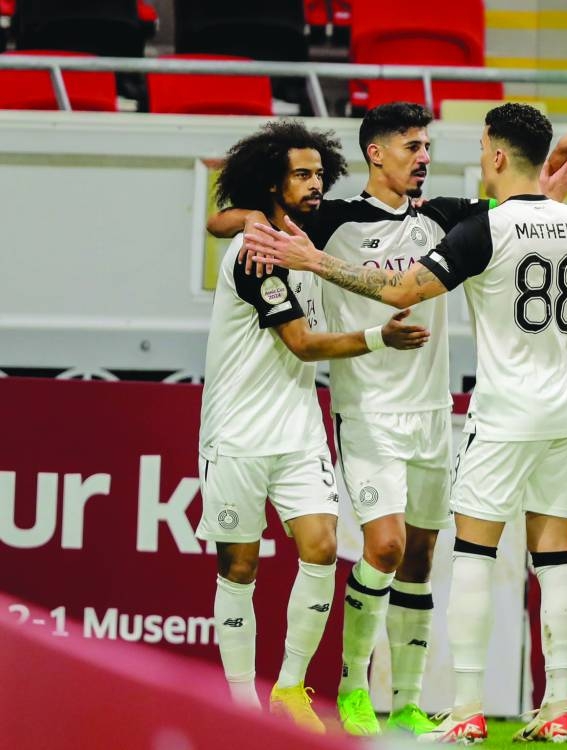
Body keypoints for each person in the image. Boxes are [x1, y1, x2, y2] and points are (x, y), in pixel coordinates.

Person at [208, 103, 567, 737]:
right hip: (369, 411)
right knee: (384, 546)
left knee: (423, 559)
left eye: (428, 146)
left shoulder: (449, 217)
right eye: (411, 146)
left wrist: (556, 150)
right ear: (376, 154)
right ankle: (352, 684)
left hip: (436, 413)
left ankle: (406, 697)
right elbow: (236, 221)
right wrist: (246, 214)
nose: (424, 157)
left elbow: (525, 202)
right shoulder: (332, 222)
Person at [197, 120, 429, 734]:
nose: (315, 184)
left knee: (323, 548)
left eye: (319, 174)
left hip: (299, 430)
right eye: (302, 175)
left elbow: (227, 215)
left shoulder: (309, 232)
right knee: (239, 568)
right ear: (273, 181)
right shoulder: (254, 253)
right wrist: (382, 336)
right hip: (238, 434)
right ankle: (240, 707)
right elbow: (300, 344)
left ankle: (291, 688)